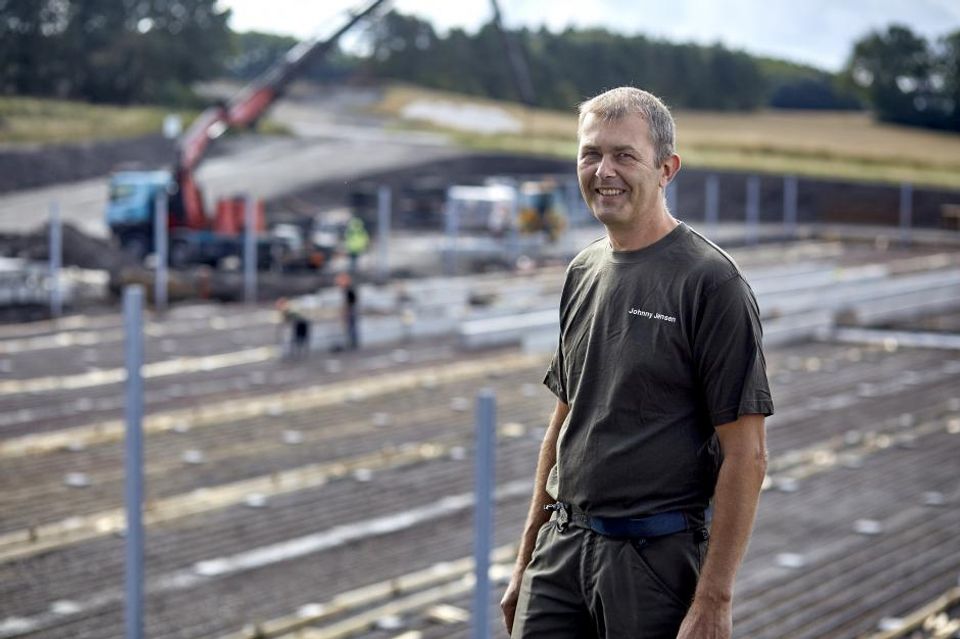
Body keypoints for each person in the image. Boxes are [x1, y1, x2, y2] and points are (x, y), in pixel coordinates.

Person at [500, 86, 774, 639]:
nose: (604, 171)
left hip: (653, 561)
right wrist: (526, 557)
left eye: (625, 155)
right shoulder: (583, 271)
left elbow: (746, 454)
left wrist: (714, 599)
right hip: (563, 548)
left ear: (666, 168)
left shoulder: (710, 283)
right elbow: (565, 422)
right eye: (590, 153)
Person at [335, 272, 359, 350]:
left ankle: (352, 343)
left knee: (351, 327)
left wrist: (345, 311)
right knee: (351, 327)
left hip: (350, 310)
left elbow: (349, 302)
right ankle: (352, 342)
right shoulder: (349, 289)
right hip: (351, 309)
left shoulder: (348, 289)